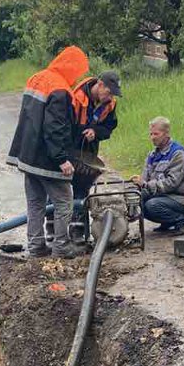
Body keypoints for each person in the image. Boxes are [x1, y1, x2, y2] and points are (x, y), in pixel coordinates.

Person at [7, 45, 90, 260]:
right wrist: (61, 159)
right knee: (64, 202)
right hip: (46, 159)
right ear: (71, 67)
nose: (77, 77)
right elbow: (55, 127)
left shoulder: (37, 78)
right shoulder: (60, 89)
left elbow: (29, 117)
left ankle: (36, 246)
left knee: (35, 203)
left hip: (27, 155)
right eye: (78, 71)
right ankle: (61, 247)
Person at [71, 70, 121, 241]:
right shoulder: (76, 97)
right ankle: (54, 229)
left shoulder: (110, 104)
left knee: (82, 189)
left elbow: (108, 129)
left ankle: (79, 232)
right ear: (100, 85)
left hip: (88, 153)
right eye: (108, 92)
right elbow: (63, 125)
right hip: (68, 149)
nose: (110, 97)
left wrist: (95, 132)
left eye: (113, 94)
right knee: (60, 189)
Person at [130, 117, 184, 235]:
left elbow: (171, 183)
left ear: (166, 134)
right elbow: (145, 179)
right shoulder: (152, 155)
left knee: (152, 205)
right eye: (151, 134)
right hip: (164, 195)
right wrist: (136, 185)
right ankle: (167, 221)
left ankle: (182, 220)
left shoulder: (178, 153)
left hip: (183, 198)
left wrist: (144, 184)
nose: (152, 137)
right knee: (136, 199)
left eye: (156, 134)